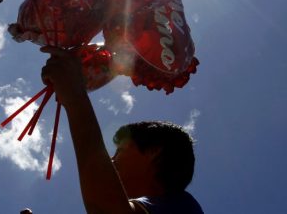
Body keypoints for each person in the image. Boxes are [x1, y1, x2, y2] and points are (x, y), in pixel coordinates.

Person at [41, 46, 204, 214]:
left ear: (154, 152)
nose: (111, 159)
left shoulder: (185, 207)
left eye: (120, 150)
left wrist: (74, 96)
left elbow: (105, 208)